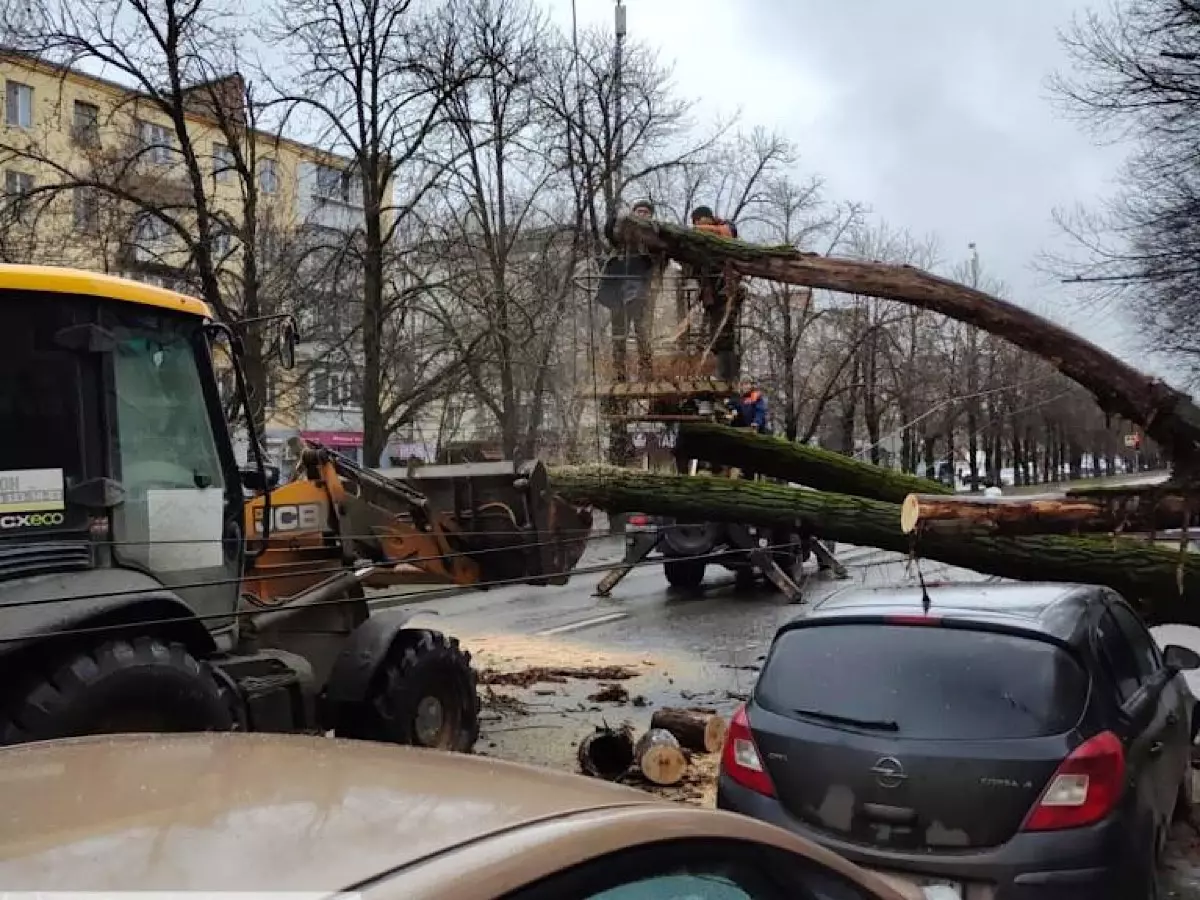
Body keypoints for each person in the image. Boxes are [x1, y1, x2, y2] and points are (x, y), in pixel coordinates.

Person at [689, 206, 741, 382]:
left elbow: (728, 233)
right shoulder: (700, 245)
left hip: (726, 290)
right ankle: (719, 374)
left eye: (701, 221)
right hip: (712, 294)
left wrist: (700, 230)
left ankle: (726, 378)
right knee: (715, 335)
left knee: (724, 334)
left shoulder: (726, 227)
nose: (699, 225)